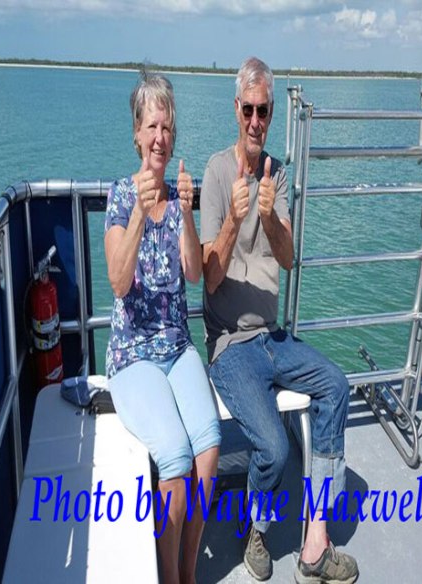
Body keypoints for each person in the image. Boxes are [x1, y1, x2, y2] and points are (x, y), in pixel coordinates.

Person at [200, 57, 359, 583]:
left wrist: (267, 215)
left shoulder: (277, 175)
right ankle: (258, 530)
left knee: (336, 386)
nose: (255, 120)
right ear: (236, 109)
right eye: (248, 109)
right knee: (272, 445)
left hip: (272, 338)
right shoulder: (217, 172)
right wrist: (234, 218)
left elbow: (287, 259)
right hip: (230, 345)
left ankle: (315, 541)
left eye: (263, 111)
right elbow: (209, 278)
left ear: (272, 113)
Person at [104, 72, 221, 584]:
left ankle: (187, 571)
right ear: (136, 133)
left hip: (176, 346)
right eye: (151, 126)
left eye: (167, 127)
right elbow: (117, 280)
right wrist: (138, 210)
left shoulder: (177, 200)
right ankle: (168, 578)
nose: (159, 138)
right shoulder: (119, 196)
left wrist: (188, 213)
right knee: (174, 457)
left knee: (208, 446)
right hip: (133, 355)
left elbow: (194, 273)